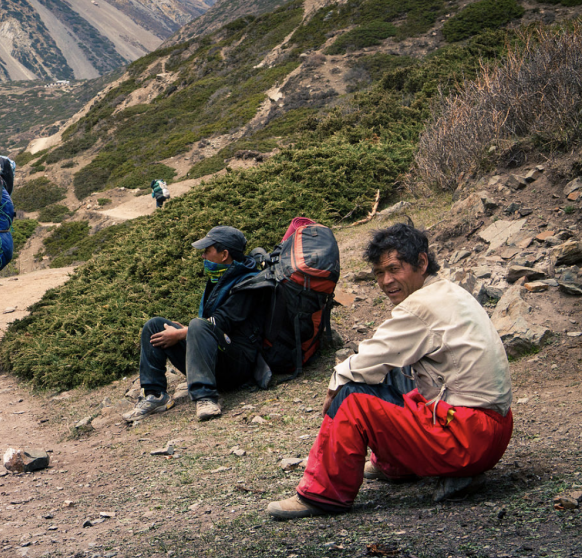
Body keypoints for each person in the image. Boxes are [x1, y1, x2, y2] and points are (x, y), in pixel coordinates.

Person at [267, 223, 513, 520]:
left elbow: (369, 358)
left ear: (421, 263)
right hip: (489, 430)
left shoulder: (421, 307)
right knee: (395, 372)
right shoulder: (447, 291)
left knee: (351, 396)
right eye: (379, 274)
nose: (386, 281)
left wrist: (336, 385)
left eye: (394, 269)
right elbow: (386, 356)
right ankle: (396, 466)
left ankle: (322, 495)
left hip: (467, 440)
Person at [122, 226, 266, 423]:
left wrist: (184, 333)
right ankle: (155, 395)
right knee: (154, 326)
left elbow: (220, 322)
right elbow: (210, 325)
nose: (203, 256)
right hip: (218, 356)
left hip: (239, 366)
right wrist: (189, 331)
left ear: (224, 254)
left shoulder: (248, 283)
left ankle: (206, 398)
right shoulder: (220, 278)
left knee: (197, 325)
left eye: (207, 251)